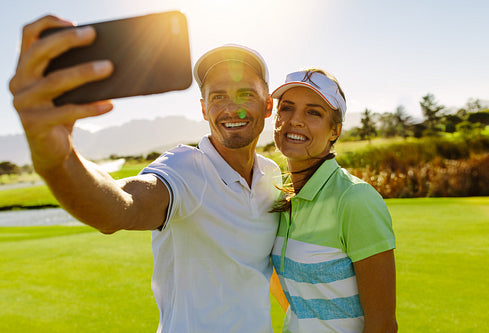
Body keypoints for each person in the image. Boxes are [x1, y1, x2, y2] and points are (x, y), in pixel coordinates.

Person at [9, 15, 283, 332]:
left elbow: (261, 266)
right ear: (204, 109)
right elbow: (121, 207)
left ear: (267, 105)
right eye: (218, 96)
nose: (231, 108)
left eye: (246, 94)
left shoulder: (271, 174)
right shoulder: (185, 169)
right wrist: (57, 158)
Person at [269, 69, 397, 332]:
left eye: (313, 112)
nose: (295, 120)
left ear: (334, 130)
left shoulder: (355, 199)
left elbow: (383, 324)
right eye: (287, 108)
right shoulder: (278, 197)